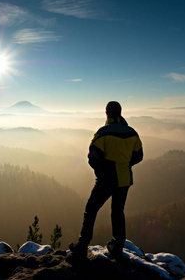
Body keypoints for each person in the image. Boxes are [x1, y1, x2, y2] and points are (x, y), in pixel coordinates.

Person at [69, 101, 143, 259]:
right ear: (120, 112)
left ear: (107, 113)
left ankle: (82, 246)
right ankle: (118, 247)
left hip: (106, 180)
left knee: (91, 209)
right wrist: (124, 164)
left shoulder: (103, 132)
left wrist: (101, 170)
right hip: (124, 179)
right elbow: (139, 156)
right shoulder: (132, 132)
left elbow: (92, 156)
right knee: (117, 211)